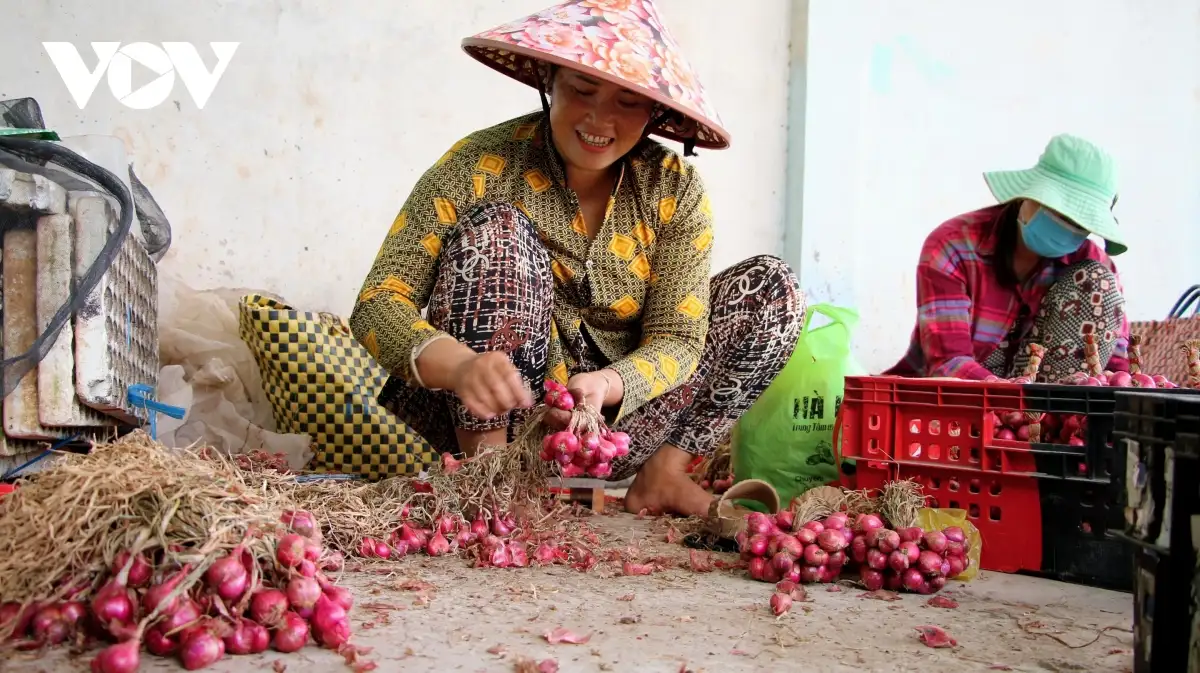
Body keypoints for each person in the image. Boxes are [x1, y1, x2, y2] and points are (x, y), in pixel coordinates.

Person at [349, 0, 805, 517]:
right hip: (501, 414)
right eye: (582, 89)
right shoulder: (478, 164)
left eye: (628, 102)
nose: (599, 119)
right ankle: (492, 484)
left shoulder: (673, 187)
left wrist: (610, 384)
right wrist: (461, 367)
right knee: (498, 229)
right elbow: (378, 303)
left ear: (654, 111)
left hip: (620, 426)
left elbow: (679, 338)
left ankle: (663, 476)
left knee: (773, 289)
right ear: (549, 79)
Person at [887, 134, 1130, 382]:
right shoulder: (954, 246)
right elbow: (948, 362)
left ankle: (1047, 415)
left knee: (1097, 278)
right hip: (961, 398)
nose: (1066, 227)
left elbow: (1115, 367)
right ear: (1030, 195)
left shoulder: (1095, 266)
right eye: (1059, 211)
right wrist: (1009, 397)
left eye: (1079, 222)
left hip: (1043, 406)